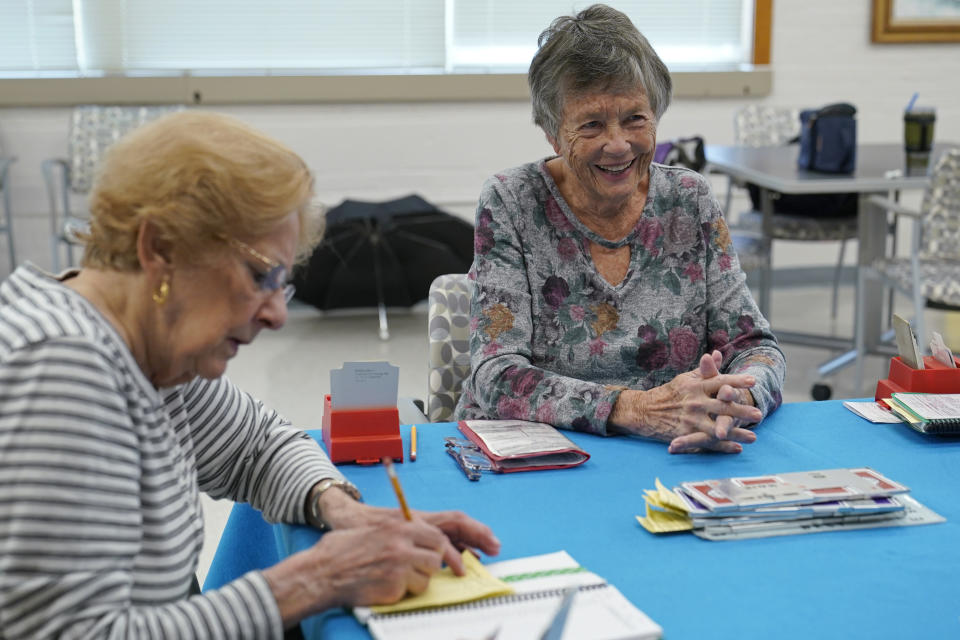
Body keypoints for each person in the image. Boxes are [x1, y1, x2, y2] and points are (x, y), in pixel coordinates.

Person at [0, 111, 499, 638]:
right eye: (260, 275)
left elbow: (256, 445)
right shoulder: (61, 368)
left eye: (281, 284)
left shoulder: (148, 351)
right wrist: (317, 578)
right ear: (159, 248)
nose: (277, 314)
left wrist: (343, 509)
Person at [454, 4, 785, 454]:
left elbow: (754, 345)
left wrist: (733, 400)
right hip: (538, 455)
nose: (617, 144)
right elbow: (497, 376)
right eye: (591, 124)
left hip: (673, 447)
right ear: (553, 133)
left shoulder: (689, 198)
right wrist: (638, 410)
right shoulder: (512, 201)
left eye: (635, 118)